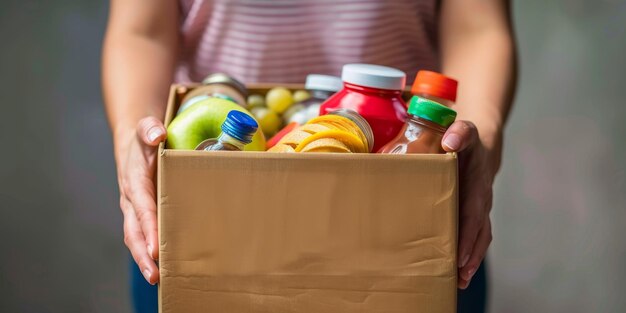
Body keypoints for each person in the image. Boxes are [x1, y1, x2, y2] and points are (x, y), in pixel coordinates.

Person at [102, 1, 516, 312]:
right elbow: (142, 31)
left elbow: (478, 28)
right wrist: (130, 140)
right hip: (209, 211)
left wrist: (482, 137)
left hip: (400, 214)